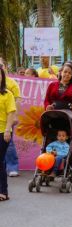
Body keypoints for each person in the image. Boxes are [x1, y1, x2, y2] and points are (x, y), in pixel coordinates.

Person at [0, 59, 21, 177]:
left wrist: (15, 116)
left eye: (1, 65)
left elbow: (17, 100)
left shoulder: (12, 83)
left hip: (7, 119)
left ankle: (12, 167)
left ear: (5, 66)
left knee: (9, 143)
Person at [0, 67, 17, 201]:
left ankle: (3, 191)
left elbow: (11, 113)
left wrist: (7, 130)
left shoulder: (7, 94)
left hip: (3, 132)